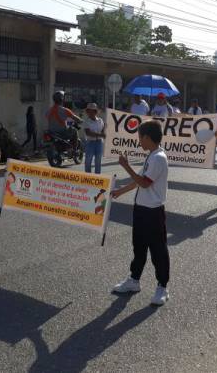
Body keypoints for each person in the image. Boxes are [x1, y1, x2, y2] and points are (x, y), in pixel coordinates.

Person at [111, 120, 171, 306]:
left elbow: (145, 183)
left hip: (153, 211)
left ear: (147, 137)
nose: (139, 141)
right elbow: (139, 180)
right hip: (141, 209)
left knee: (158, 250)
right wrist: (120, 191)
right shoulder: (151, 155)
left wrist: (125, 166)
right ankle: (134, 280)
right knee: (139, 247)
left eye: (140, 137)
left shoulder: (159, 157)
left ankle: (162, 286)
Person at [83, 103, 105, 174]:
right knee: (88, 161)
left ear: (95, 111)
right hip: (90, 142)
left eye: (91, 111)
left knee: (98, 161)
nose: (89, 112)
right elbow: (88, 133)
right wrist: (100, 135)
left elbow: (102, 130)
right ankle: (88, 177)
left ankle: (97, 177)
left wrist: (103, 134)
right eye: (88, 111)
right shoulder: (86, 121)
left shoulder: (100, 120)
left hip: (99, 142)